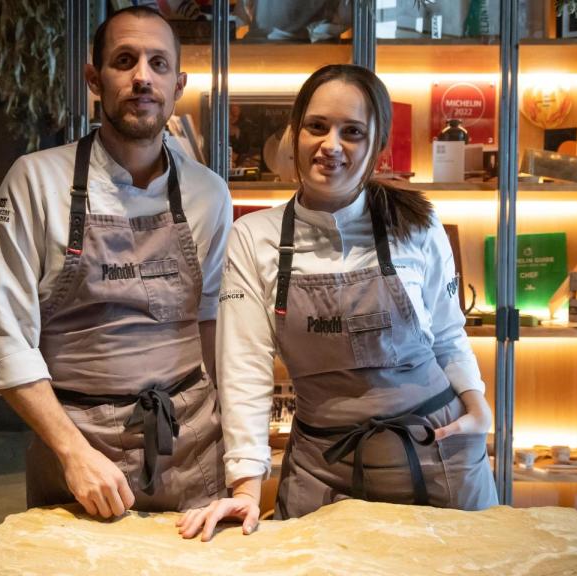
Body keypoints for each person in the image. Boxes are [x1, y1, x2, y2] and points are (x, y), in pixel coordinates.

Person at [177, 64, 497, 541]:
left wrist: (478, 406)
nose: (331, 145)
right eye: (317, 126)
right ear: (294, 133)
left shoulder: (418, 225)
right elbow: (244, 367)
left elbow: (449, 337)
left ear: (376, 147)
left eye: (352, 132)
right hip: (324, 469)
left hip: (438, 454)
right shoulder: (254, 238)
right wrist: (245, 488)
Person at [0, 6, 232, 518]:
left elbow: (210, 321)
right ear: (95, 78)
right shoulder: (36, 181)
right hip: (75, 445)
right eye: (124, 60)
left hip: (191, 443)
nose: (143, 77)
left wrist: (233, 435)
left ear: (178, 83)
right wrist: (72, 453)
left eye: (158, 64)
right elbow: (4, 337)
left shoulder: (208, 192)